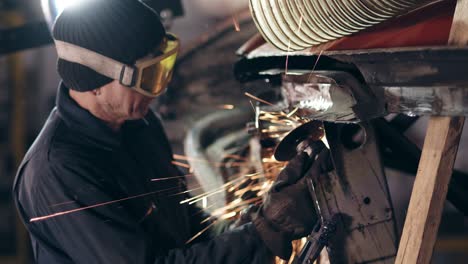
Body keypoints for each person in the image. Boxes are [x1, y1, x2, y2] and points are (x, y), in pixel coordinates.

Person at [13, 0, 324, 263]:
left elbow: (189, 229)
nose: (158, 91)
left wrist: (256, 219)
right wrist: (267, 231)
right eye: (148, 77)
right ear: (94, 82)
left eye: (164, 68)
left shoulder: (140, 125)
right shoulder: (59, 173)